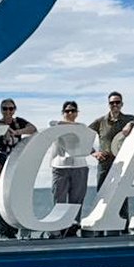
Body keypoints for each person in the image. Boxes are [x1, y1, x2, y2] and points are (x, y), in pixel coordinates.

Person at [88, 91, 134, 232]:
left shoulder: (127, 119)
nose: (115, 105)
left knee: (121, 196)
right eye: (112, 103)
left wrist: (131, 123)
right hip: (105, 163)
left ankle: (123, 227)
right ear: (108, 105)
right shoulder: (100, 122)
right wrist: (94, 153)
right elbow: (83, 137)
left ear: (122, 104)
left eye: (117, 102)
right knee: (102, 195)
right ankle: (101, 227)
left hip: (123, 162)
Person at [0, 99, 36, 239]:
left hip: (14, 160)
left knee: (14, 195)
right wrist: (4, 129)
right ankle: (4, 232)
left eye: (11, 109)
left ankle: (15, 227)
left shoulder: (19, 122)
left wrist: (16, 131)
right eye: (5, 109)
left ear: (15, 109)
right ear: (1, 109)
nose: (8, 112)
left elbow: (32, 129)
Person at [50, 99, 88, 237]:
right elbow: (52, 122)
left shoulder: (82, 126)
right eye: (67, 111)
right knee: (59, 198)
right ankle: (58, 227)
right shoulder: (57, 125)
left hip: (80, 166)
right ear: (63, 113)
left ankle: (73, 226)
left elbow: (85, 138)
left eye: (73, 111)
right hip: (60, 166)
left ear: (77, 113)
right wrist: (72, 126)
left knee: (77, 199)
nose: (70, 113)